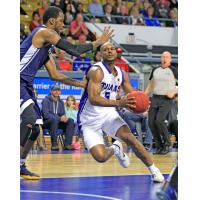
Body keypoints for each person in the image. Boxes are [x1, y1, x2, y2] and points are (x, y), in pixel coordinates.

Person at [20, 6, 113, 180]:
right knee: (29, 120)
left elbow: (55, 75)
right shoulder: (43, 32)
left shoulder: (46, 47)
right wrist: (98, 42)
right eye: (61, 20)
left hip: (25, 85)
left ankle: (20, 165)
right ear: (51, 21)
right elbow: (74, 50)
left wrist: (80, 84)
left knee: (35, 130)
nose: (64, 24)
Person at [77, 42, 164, 183]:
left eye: (112, 49)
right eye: (105, 49)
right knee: (101, 157)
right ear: (100, 54)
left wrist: (143, 104)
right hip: (88, 118)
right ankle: (116, 148)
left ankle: (154, 170)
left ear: (116, 53)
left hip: (109, 114)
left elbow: (133, 94)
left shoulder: (122, 73)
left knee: (131, 139)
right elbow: (93, 99)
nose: (110, 51)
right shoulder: (96, 71)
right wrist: (119, 103)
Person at [145, 51, 178, 155]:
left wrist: (173, 92)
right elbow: (151, 84)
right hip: (155, 98)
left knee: (159, 120)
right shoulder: (155, 70)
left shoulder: (174, 71)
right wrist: (144, 94)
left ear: (170, 59)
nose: (165, 59)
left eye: (167, 57)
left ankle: (167, 144)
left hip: (167, 99)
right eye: (163, 56)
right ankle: (159, 146)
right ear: (161, 58)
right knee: (151, 122)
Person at [42, 85, 75, 151]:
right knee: (55, 119)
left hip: (57, 122)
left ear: (60, 92)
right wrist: (59, 118)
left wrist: (64, 116)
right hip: (47, 122)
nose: (57, 92)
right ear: (51, 91)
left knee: (70, 120)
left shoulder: (61, 102)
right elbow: (46, 115)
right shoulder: (46, 100)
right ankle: (54, 144)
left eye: (58, 90)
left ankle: (67, 144)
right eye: (55, 90)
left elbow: (62, 114)